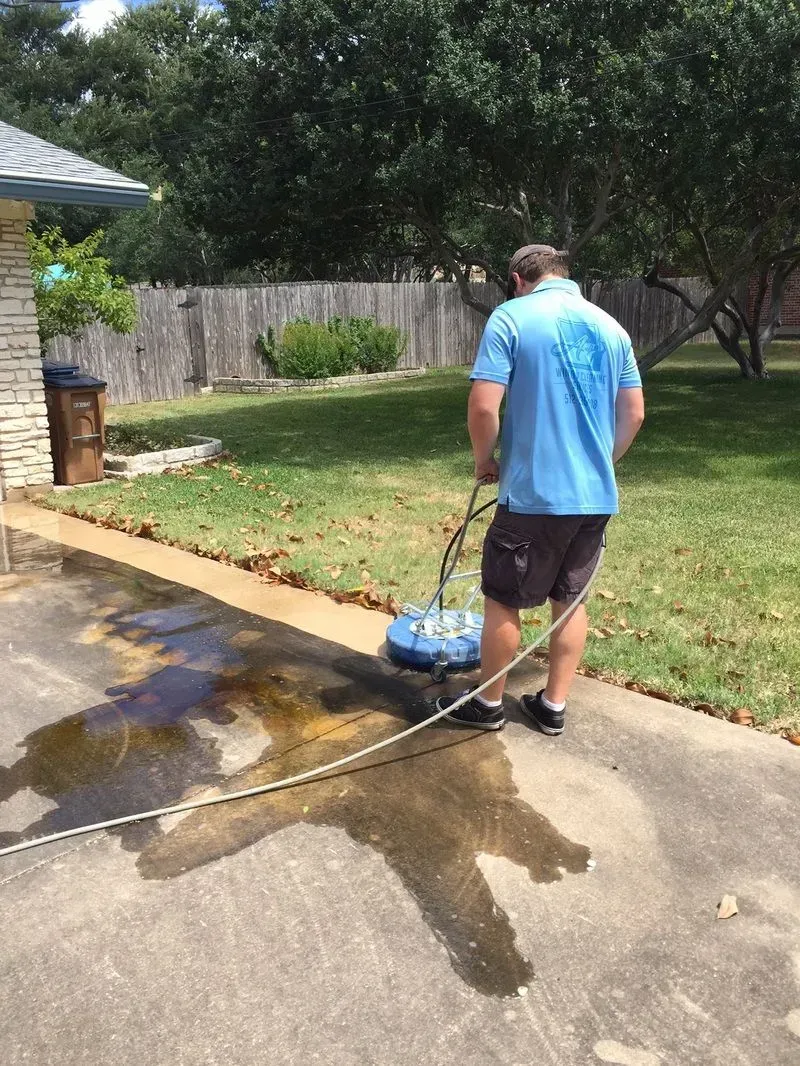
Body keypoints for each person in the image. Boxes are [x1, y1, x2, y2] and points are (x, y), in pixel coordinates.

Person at [436, 244, 645, 734]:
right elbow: (633, 414)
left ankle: (488, 706)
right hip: (594, 497)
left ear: (517, 278)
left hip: (532, 496)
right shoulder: (611, 326)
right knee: (570, 601)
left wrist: (485, 458)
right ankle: (552, 706)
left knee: (502, 598)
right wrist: (600, 463)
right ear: (563, 275)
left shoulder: (512, 317)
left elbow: (484, 405)